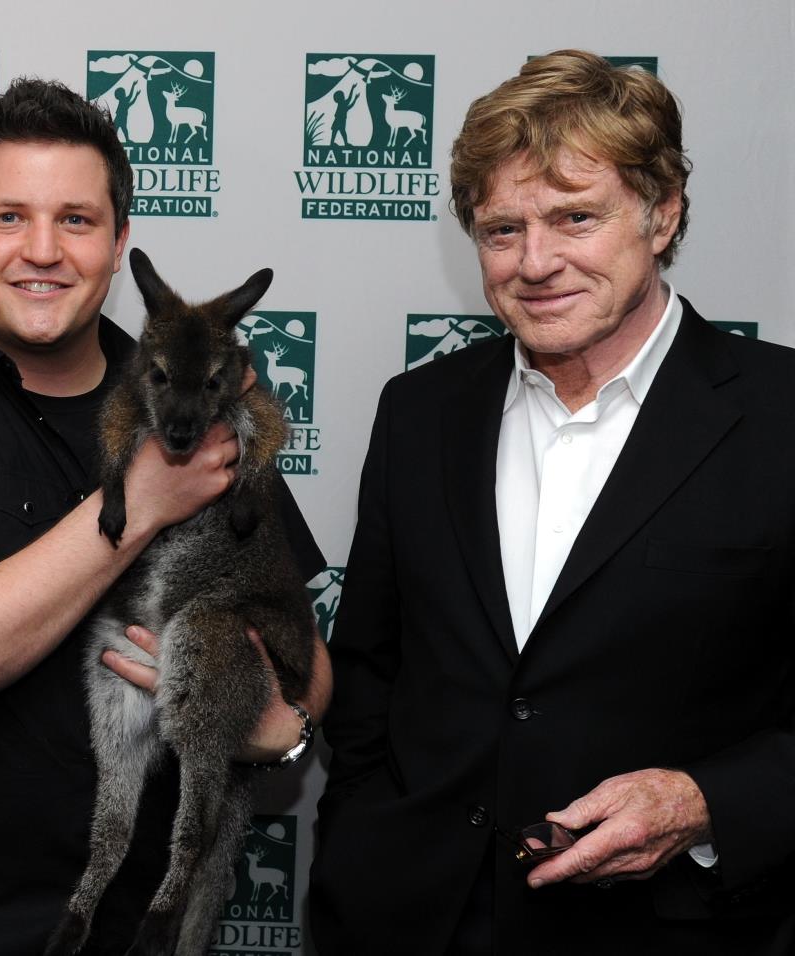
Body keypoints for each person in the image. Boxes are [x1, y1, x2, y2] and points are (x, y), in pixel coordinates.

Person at [310, 50, 795, 955]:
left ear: (663, 214)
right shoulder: (419, 411)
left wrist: (702, 804)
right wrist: (363, 842)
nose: (536, 263)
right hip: (409, 921)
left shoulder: (779, 417)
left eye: (576, 217)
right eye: (501, 231)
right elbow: (371, 669)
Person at [0, 78, 331, 956]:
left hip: (147, 930)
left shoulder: (201, 394)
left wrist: (277, 725)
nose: (43, 251)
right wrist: (142, 502)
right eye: (6, 218)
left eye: (75, 220)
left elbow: (305, 665)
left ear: (118, 243)